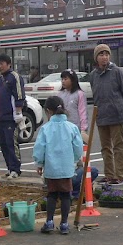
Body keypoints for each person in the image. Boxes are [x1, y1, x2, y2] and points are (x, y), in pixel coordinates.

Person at [33, 96, 84, 235]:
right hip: (67, 168)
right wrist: (73, 160)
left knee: (52, 194)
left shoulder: (46, 129)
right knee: (66, 195)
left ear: (48, 111)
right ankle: (64, 224)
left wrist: (39, 163)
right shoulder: (72, 127)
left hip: (51, 168)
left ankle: (49, 221)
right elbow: (78, 147)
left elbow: (40, 148)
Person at [88, 43, 123, 185]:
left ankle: (120, 175)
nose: (104, 57)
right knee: (105, 147)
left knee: (118, 146)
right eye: (101, 54)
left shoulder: (117, 71)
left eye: (106, 54)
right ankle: (109, 175)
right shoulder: (94, 75)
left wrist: (118, 104)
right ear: (96, 58)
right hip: (101, 115)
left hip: (116, 114)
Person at [58, 69, 88, 136]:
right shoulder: (60, 94)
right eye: (62, 79)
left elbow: (83, 112)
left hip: (75, 127)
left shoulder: (79, 94)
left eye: (65, 79)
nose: (63, 81)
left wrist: (83, 129)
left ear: (72, 80)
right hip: (63, 127)